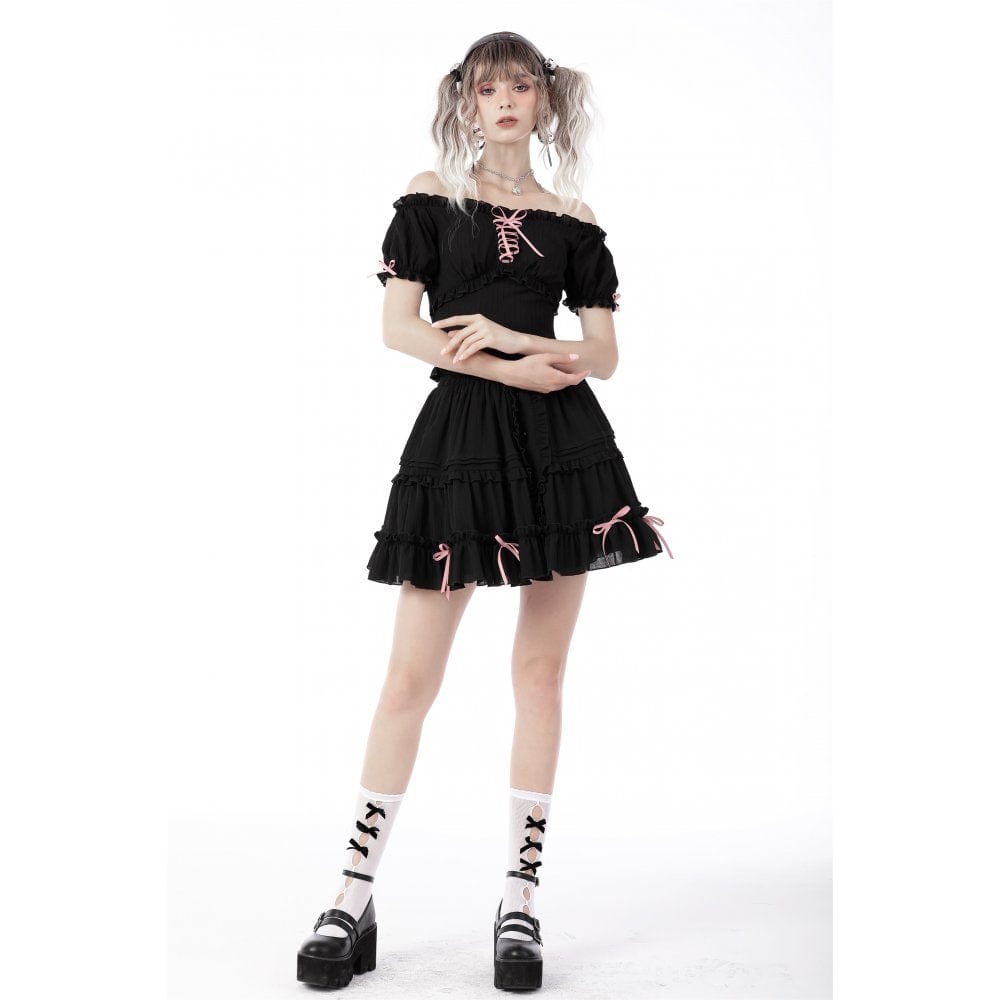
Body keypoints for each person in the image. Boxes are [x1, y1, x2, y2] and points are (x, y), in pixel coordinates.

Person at [296, 30, 674, 992]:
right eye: (485, 87)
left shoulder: (574, 217)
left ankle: (519, 900)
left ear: (544, 100)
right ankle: (351, 892)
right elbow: (399, 329)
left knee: (540, 674)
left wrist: (516, 336)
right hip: (461, 442)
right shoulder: (433, 195)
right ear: (465, 100)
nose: (503, 100)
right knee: (408, 678)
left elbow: (604, 356)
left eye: (520, 86)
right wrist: (512, 367)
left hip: (562, 448)